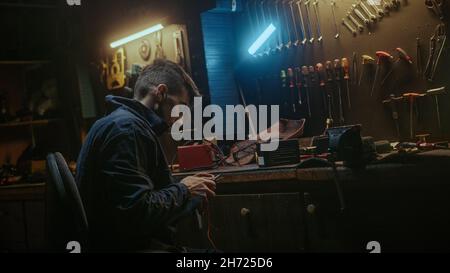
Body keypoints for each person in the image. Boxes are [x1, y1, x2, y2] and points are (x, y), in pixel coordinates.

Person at [76, 59, 217, 252]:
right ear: (160, 93)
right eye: (180, 107)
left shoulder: (117, 123)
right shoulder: (128, 130)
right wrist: (184, 190)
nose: (180, 117)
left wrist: (188, 198)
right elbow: (135, 212)